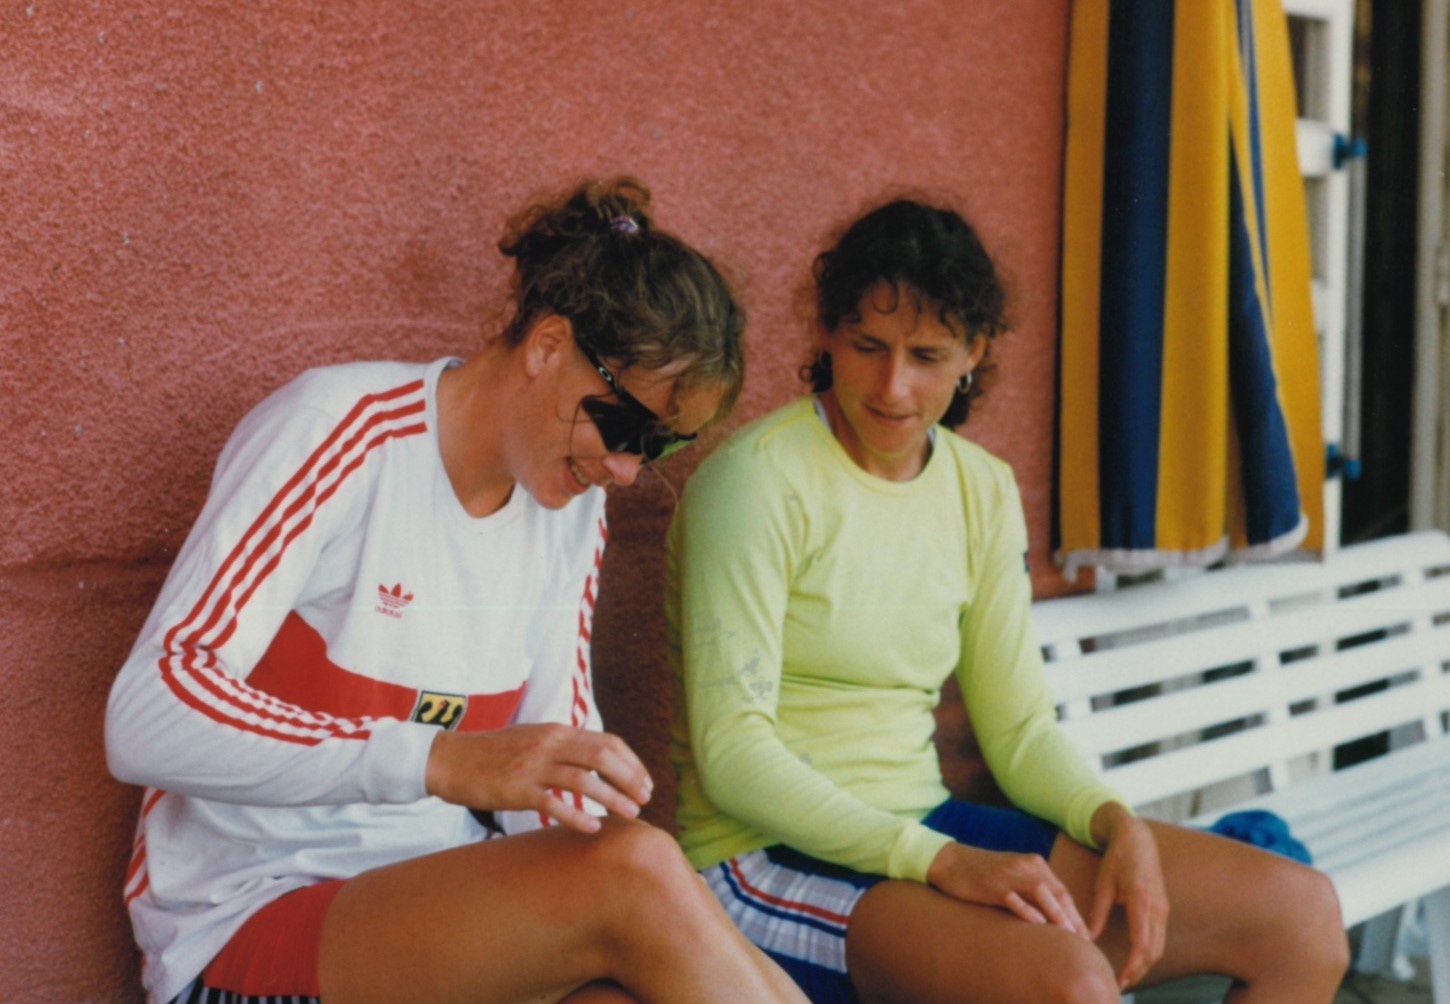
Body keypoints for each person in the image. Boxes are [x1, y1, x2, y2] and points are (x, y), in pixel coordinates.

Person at [106, 177, 809, 1004]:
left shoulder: (568, 512)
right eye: (626, 427)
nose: (624, 471)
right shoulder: (340, 431)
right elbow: (143, 717)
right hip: (251, 922)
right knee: (638, 869)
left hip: (444, 910)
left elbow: (556, 778)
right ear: (549, 346)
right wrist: (437, 760)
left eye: (657, 449)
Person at [666, 196, 1350, 1003]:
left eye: (927, 355)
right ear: (826, 333)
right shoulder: (756, 483)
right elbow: (734, 754)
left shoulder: (978, 489)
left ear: (973, 353)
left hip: (924, 828)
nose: (893, 386)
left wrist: (1112, 820)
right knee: (1067, 985)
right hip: (764, 857)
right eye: (867, 347)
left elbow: (1018, 728)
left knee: (1302, 917)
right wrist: (940, 861)